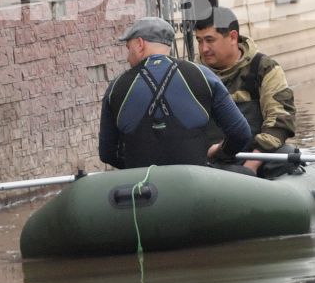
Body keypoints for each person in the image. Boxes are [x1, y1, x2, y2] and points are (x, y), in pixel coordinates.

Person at [98, 18, 251, 170]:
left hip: (144, 188)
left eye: (128, 48)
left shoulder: (116, 88)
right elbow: (240, 133)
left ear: (140, 44)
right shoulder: (203, 76)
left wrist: (134, 166)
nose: (127, 57)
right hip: (196, 186)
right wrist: (218, 153)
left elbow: (107, 153)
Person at [193, 7, 298, 172]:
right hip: (210, 163)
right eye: (199, 41)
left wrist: (251, 166)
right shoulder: (192, 75)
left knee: (287, 156)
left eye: (210, 40)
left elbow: (280, 121)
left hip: (253, 157)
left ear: (233, 37)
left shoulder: (264, 69)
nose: (204, 48)